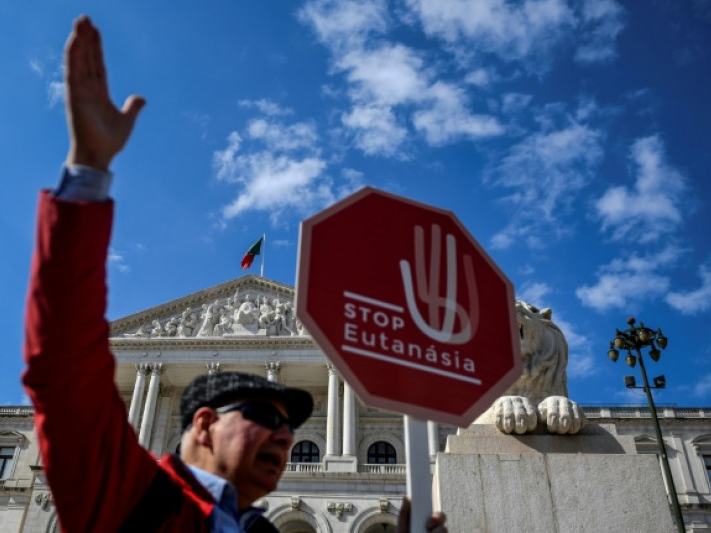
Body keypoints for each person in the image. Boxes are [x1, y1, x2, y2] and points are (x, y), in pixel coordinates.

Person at [23, 15, 446, 533]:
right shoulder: (132, 498)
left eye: (290, 427)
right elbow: (64, 362)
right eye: (266, 419)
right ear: (204, 425)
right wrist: (88, 171)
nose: (286, 438)